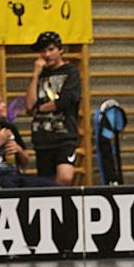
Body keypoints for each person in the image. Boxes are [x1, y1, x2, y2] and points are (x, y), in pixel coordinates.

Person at [0, 88, 58, 189]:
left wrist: (18, 149)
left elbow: (25, 162)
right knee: (3, 184)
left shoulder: (9, 128)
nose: (4, 105)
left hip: (15, 177)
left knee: (50, 186)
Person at [25, 31, 80, 186]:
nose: (47, 55)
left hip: (64, 135)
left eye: (51, 49)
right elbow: (29, 105)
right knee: (46, 183)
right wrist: (35, 75)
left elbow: (65, 100)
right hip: (42, 137)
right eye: (43, 51)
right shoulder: (40, 75)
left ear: (60, 50)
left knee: (65, 177)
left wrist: (40, 108)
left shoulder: (70, 72)